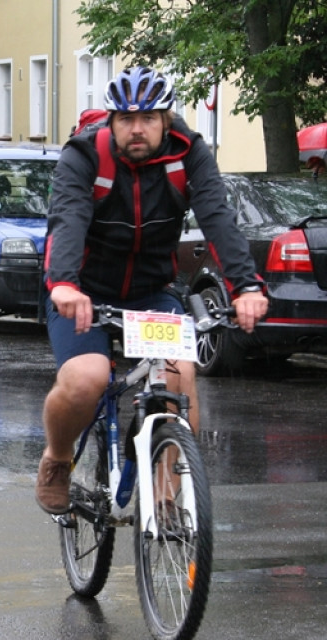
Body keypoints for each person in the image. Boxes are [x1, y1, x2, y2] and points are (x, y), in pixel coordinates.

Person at [37, 66, 269, 514]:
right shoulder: (85, 155)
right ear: (111, 121)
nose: (136, 128)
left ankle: (164, 503)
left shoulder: (189, 155)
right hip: (82, 292)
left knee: (180, 378)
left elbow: (218, 218)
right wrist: (64, 284)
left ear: (166, 119)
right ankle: (58, 458)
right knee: (87, 380)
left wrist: (245, 286)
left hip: (150, 291)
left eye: (147, 117)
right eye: (125, 119)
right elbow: (66, 222)